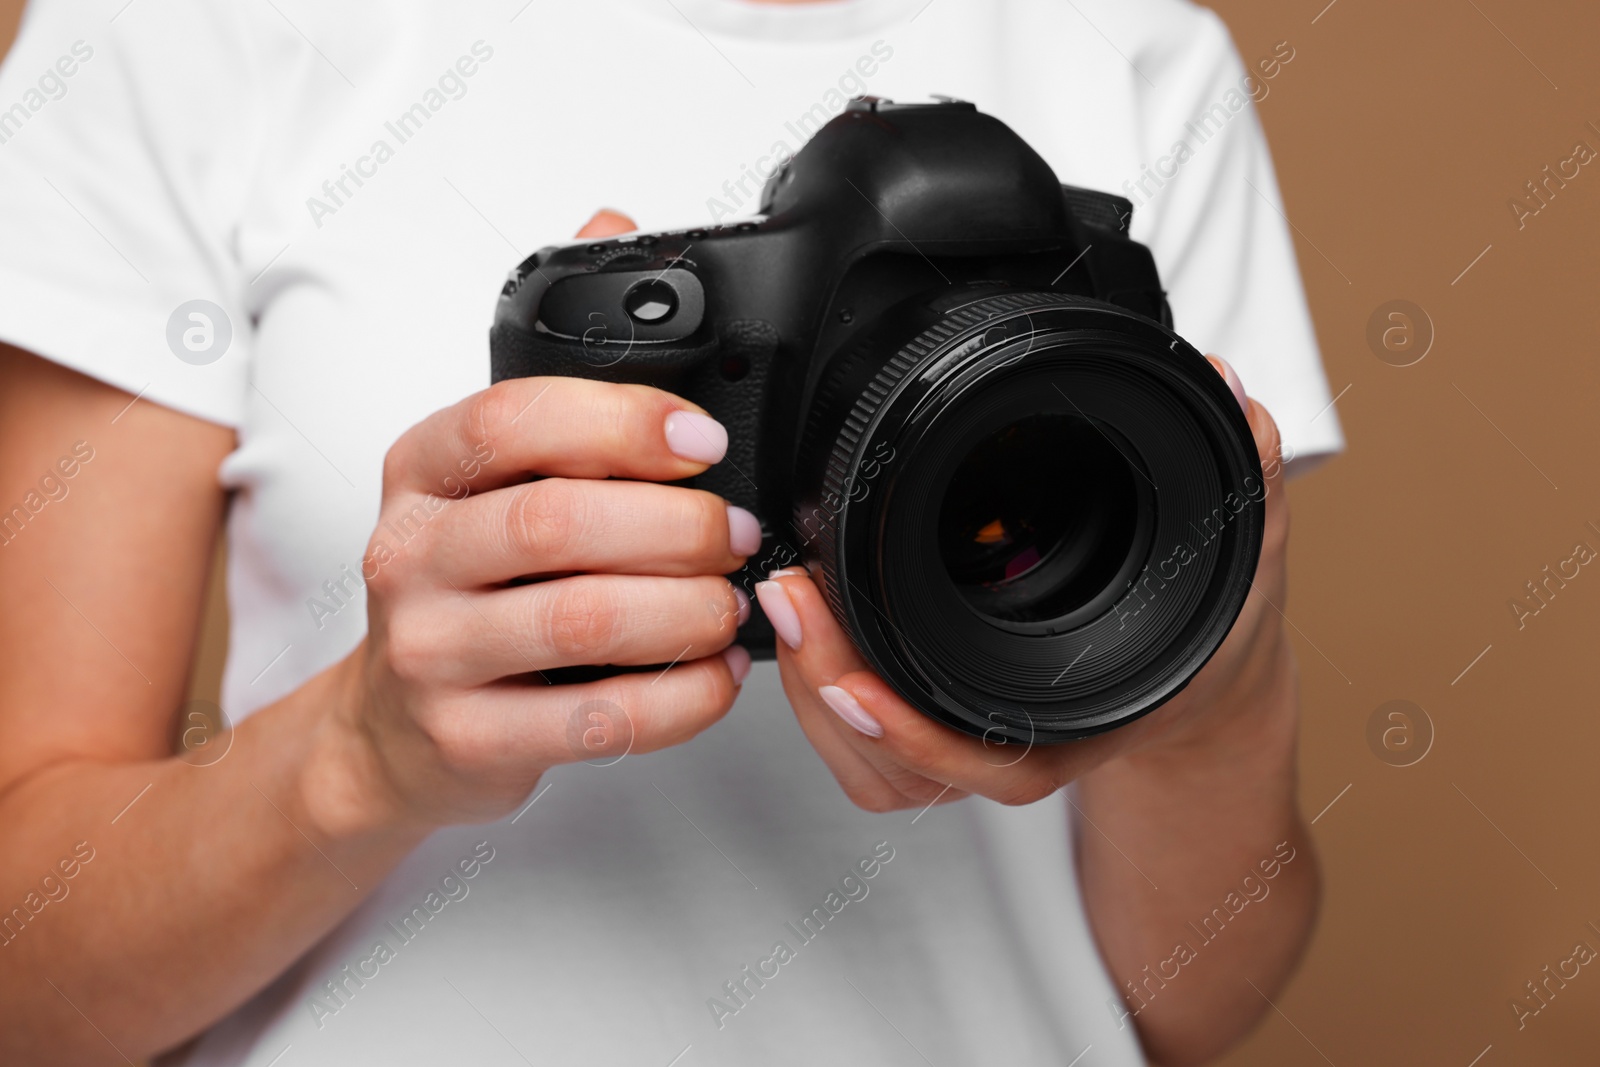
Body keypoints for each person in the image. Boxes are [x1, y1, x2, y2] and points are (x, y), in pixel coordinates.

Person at [0, 0, 1342, 1064]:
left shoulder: (1146, 54)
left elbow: (1189, 1009)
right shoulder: (191, 26)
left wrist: (1208, 709)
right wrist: (363, 752)